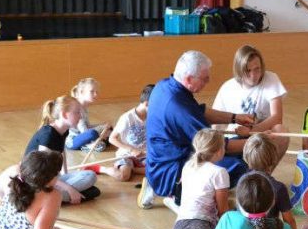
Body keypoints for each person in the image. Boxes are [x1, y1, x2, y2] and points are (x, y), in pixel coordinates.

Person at [139, 50, 254, 209]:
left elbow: (199, 111)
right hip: (171, 172)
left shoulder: (164, 85)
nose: (208, 81)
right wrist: (255, 142)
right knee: (238, 166)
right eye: (205, 79)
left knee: (238, 151)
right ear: (188, 79)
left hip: (158, 163)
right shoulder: (178, 107)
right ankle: (177, 195)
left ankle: (157, 184)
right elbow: (215, 146)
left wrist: (234, 117)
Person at [0, 96, 99, 204]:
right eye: (77, 112)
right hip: (36, 182)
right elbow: (41, 175)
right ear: (64, 114)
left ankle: (60, 196)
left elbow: (62, 153)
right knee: (93, 191)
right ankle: (46, 199)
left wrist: (65, 176)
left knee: (90, 175)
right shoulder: (48, 135)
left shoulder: (64, 131)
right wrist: (69, 188)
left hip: (50, 179)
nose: (80, 116)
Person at [212, 44, 289, 158]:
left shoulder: (271, 78)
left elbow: (277, 117)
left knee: (280, 131)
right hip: (235, 136)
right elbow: (215, 125)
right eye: (248, 71)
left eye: (257, 69)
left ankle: (264, 173)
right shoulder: (227, 87)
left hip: (261, 134)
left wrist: (251, 130)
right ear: (239, 70)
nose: (253, 75)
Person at [90, 84, 153, 182]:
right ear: (147, 103)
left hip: (144, 154)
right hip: (127, 153)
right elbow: (112, 138)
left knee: (159, 170)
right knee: (123, 176)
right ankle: (101, 168)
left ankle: (133, 169)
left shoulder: (153, 116)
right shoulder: (127, 118)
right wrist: (131, 150)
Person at [65, 78, 111, 152]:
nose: (95, 94)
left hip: (84, 135)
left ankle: (95, 143)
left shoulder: (84, 107)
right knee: (93, 134)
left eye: (96, 92)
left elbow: (87, 126)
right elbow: (85, 132)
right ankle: (89, 145)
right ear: (82, 92)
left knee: (109, 129)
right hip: (73, 141)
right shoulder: (77, 108)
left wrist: (102, 125)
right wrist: (101, 127)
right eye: (92, 91)